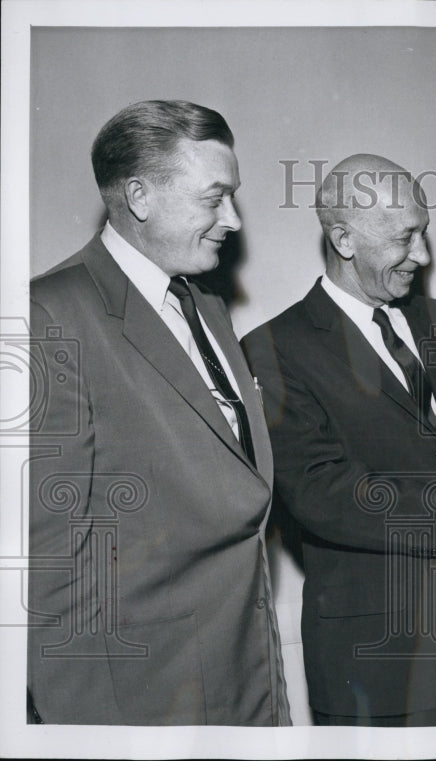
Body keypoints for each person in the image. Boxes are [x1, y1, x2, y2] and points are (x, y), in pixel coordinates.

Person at [28, 100, 289, 725]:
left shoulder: (206, 308)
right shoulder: (47, 316)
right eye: (214, 198)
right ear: (140, 197)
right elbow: (43, 564)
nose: (232, 219)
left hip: (241, 680)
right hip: (138, 701)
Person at [241, 154, 436, 726]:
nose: (422, 255)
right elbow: (320, 490)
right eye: (405, 237)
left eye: (424, 233)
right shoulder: (275, 349)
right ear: (343, 239)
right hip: (379, 665)